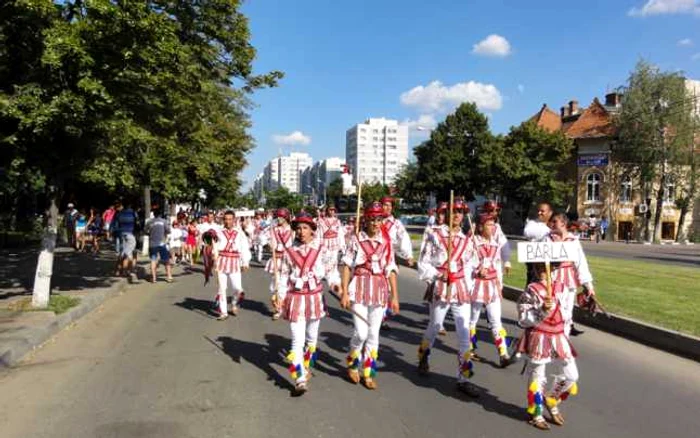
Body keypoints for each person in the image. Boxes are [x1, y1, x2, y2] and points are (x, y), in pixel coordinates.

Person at [416, 198, 479, 397]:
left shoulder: (467, 240)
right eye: (454, 211)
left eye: (461, 211)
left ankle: (464, 377)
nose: (458, 215)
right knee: (434, 326)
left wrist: (478, 272)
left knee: (464, 333)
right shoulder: (434, 235)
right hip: (441, 285)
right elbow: (423, 263)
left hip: (460, 287)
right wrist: (436, 274)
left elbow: (471, 264)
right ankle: (424, 355)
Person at [276, 211, 340, 396]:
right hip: (295, 298)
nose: (301, 231)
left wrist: (335, 284)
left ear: (313, 230)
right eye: (298, 228)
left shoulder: (321, 249)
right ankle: (300, 378)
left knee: (311, 338)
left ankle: (305, 364)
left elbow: (331, 270)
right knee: (297, 341)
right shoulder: (289, 251)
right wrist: (280, 295)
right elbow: (284, 275)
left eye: (305, 228)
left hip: (314, 298)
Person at [340, 202, 399, 390]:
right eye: (372, 219)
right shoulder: (356, 239)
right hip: (359, 288)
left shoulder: (387, 241)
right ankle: (352, 361)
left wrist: (394, 296)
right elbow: (347, 265)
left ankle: (368, 371)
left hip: (380, 290)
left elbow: (390, 268)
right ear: (366, 220)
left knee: (374, 334)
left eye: (379, 219)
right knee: (361, 332)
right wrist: (344, 292)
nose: (375, 223)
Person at [517, 263, 579, 431]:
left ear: (554, 269)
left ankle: (551, 398)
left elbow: (567, 314)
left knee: (571, 376)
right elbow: (523, 318)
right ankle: (535, 413)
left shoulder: (562, 288)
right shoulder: (532, 289)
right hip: (540, 335)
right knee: (537, 377)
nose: (542, 271)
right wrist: (542, 310)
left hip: (559, 335)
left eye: (546, 268)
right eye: (539, 268)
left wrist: (565, 333)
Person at [468, 213, 512, 368]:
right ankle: (469, 348)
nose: (492, 227)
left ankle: (503, 353)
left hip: (492, 286)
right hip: (477, 286)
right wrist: (477, 269)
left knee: (495, 321)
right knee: (472, 319)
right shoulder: (472, 242)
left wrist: (500, 284)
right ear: (480, 227)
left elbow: (497, 265)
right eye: (489, 225)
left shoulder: (495, 244)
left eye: (493, 225)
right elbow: (467, 263)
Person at [547, 213, 595, 337]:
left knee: (568, 312)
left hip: (569, 281)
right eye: (551, 221)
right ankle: (553, 337)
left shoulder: (573, 240)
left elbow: (581, 262)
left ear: (563, 223)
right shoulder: (548, 238)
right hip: (552, 279)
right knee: (555, 310)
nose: (552, 224)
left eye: (555, 221)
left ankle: (564, 339)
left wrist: (588, 285)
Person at [212, 210, 251, 320]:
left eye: (230, 219)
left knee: (237, 288)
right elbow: (214, 246)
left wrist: (245, 261)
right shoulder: (218, 232)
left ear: (234, 220)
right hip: (222, 261)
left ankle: (234, 303)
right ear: (223, 220)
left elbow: (244, 247)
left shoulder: (239, 233)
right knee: (222, 288)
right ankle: (223, 312)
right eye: (226, 219)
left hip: (234, 261)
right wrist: (213, 255)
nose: (227, 221)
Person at [420, 202, 448, 336]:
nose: (442, 216)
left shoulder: (452, 230)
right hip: (434, 267)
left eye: (444, 213)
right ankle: (437, 322)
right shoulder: (431, 229)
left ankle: (438, 321)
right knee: (434, 297)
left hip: (449, 270)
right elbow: (424, 249)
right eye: (440, 213)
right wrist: (428, 272)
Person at [265, 208, 295, 320]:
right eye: (277, 216)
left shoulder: (292, 230)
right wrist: (269, 245)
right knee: (274, 285)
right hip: (276, 258)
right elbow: (266, 240)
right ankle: (281, 305)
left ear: (286, 217)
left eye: (281, 217)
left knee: (283, 285)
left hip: (287, 260)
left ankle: (279, 309)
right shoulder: (273, 229)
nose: (279, 219)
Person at [113, 203, 139, 282]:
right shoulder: (133, 213)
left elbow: (115, 225)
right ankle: (131, 273)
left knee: (123, 252)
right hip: (131, 234)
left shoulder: (119, 214)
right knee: (130, 253)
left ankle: (120, 271)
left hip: (121, 234)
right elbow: (138, 224)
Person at [145, 208, 172, 283]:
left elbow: (145, 231)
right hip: (162, 243)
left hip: (152, 244)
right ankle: (169, 276)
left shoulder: (149, 222)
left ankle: (154, 278)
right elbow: (168, 231)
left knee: (153, 260)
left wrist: (151, 234)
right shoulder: (164, 221)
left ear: (153, 214)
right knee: (166, 260)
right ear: (160, 214)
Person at [317, 204, 346, 274]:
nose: (332, 211)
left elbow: (340, 234)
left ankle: (333, 273)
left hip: (334, 242)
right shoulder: (322, 221)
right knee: (325, 259)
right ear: (327, 210)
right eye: (330, 210)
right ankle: (325, 273)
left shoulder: (337, 221)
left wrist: (342, 244)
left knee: (334, 259)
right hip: (325, 242)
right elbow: (319, 233)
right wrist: (319, 244)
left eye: (333, 210)